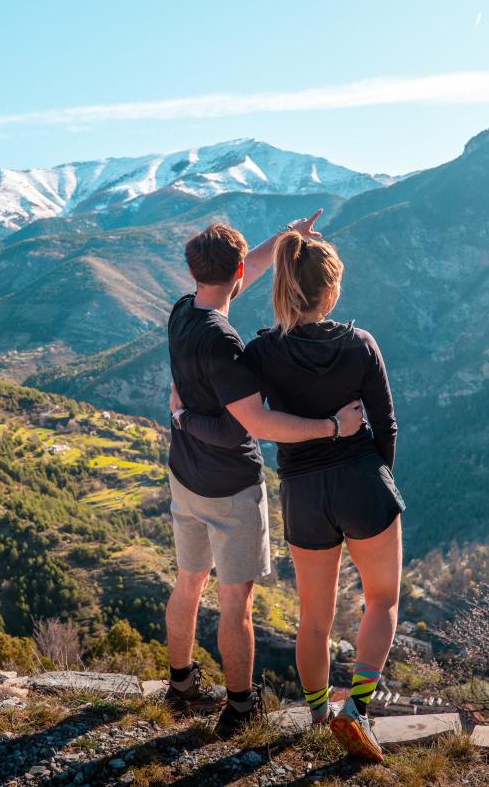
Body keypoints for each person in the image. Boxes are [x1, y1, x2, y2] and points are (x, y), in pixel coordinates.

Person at [174, 230, 405, 762]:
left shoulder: (260, 350)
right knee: (383, 601)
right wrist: (378, 477)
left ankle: (320, 712)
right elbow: (386, 424)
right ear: (331, 291)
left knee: (314, 618)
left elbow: (240, 406)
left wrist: (184, 411)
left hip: (302, 492)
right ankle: (359, 707)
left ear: (283, 288)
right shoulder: (360, 344)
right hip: (362, 482)